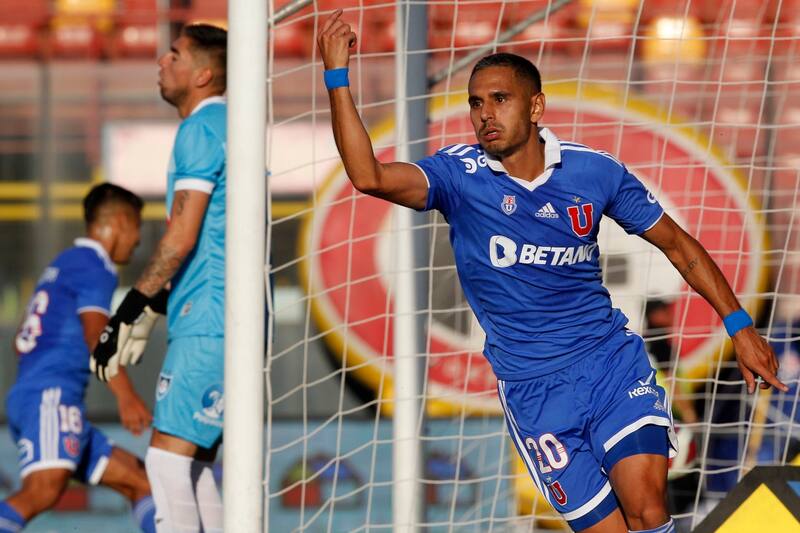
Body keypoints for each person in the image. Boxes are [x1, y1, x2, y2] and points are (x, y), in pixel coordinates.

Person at [316, 10, 787, 533]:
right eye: (476, 102)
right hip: (533, 392)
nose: (485, 114)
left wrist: (739, 326)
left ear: (536, 105)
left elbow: (679, 246)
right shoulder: (458, 175)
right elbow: (368, 176)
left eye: (500, 99)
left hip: (610, 366)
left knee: (648, 508)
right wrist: (337, 76)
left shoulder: (594, 172)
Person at [89, 23, 227, 533]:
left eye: (174, 55)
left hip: (210, 320)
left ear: (204, 74)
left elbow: (181, 237)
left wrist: (130, 308)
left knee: (166, 463)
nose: (161, 63)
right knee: (193, 467)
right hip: (223, 315)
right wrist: (158, 305)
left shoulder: (200, 129)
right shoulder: (228, 127)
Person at [0, 183, 155, 533]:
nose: (138, 240)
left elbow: (21, 339)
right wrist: (125, 395)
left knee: (140, 480)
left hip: (40, 395)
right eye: (137, 227)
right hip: (50, 396)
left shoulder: (63, 263)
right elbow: (95, 333)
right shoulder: (94, 267)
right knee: (41, 492)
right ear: (118, 222)